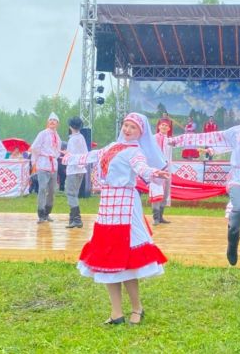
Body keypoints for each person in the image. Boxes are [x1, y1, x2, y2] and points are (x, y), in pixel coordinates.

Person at [170, 88, 240, 304]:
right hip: (239, 177)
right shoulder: (236, 131)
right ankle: (232, 239)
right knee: (239, 209)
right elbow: (209, 137)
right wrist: (181, 139)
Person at [62, 113, 169, 325]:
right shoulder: (112, 146)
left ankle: (137, 308)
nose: (128, 130)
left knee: (127, 259)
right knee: (107, 258)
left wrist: (153, 172)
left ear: (140, 133)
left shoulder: (135, 152)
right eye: (126, 125)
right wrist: (69, 157)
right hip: (107, 205)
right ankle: (116, 313)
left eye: (133, 128)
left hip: (126, 206)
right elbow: (92, 156)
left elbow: (142, 169)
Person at [31, 112, 62, 223]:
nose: (52, 122)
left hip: (53, 165)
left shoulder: (58, 137)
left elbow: (57, 151)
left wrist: (54, 158)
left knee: (52, 190)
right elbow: (35, 147)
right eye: (50, 120)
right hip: (43, 164)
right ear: (48, 122)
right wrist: (35, 161)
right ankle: (41, 213)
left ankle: (47, 212)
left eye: (54, 120)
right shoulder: (42, 134)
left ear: (58, 123)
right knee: (42, 189)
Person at [65, 117, 88, 229]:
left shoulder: (73, 140)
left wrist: (67, 155)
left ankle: (77, 218)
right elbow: (85, 153)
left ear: (70, 126)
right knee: (74, 193)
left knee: (70, 194)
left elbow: (73, 155)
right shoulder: (81, 137)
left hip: (74, 169)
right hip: (81, 169)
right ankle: (72, 218)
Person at [150, 119, 172, 225]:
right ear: (159, 127)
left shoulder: (169, 141)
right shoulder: (153, 139)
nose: (164, 127)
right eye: (162, 125)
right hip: (157, 169)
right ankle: (155, 218)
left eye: (166, 125)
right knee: (156, 191)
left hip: (167, 169)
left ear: (169, 128)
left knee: (165, 192)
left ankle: (161, 216)